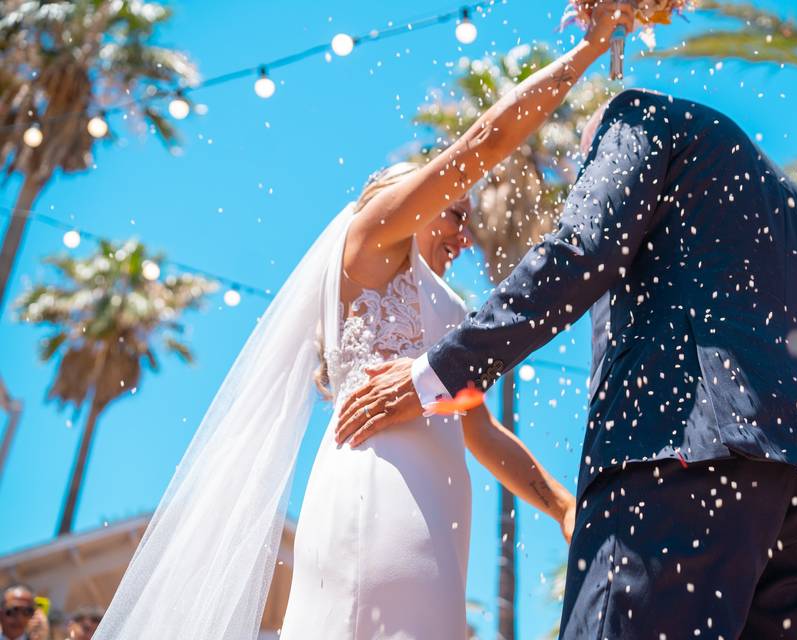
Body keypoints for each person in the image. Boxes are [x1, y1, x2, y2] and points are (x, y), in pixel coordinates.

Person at [92, 3, 635, 639]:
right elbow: (485, 142)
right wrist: (590, 50)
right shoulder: (371, 239)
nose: (464, 232)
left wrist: (562, 506)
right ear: (402, 198)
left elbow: (480, 430)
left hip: (439, 510)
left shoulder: (448, 313)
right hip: (379, 491)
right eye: (454, 212)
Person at [340, 86, 797, 637]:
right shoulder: (794, 205)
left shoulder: (635, 117)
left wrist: (439, 373)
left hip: (678, 457)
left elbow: (582, 246)